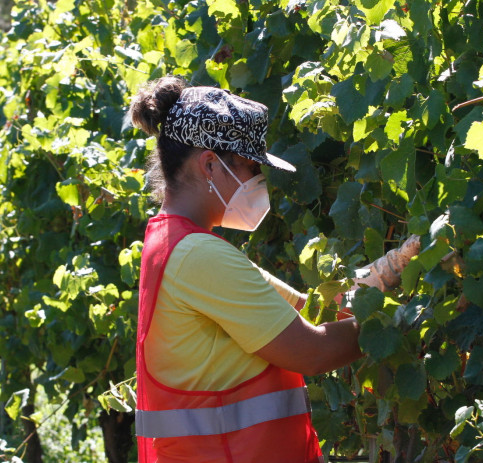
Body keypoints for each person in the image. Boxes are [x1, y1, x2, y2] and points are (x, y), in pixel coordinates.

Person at [129, 76, 419, 463]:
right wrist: (402, 317)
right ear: (211, 165)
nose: (258, 183)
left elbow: (309, 311)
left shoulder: (175, 245)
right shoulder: (199, 256)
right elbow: (312, 350)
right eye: (250, 168)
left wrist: (388, 271)